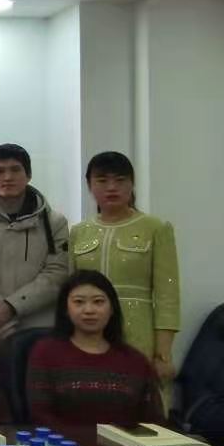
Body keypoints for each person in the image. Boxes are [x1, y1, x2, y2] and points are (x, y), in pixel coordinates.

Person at [70, 151, 182, 393]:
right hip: (86, 332)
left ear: (132, 184)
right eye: (102, 180)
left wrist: (163, 354)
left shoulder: (156, 228)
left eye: (120, 180)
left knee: (138, 401)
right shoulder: (78, 232)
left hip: (137, 333)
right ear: (89, 185)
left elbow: (168, 295)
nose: (112, 188)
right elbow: (69, 292)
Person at [0, 143, 70, 382]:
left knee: (32, 399)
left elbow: (56, 274)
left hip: (36, 332)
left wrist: (11, 307)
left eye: (15, 169)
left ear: (28, 175)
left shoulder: (54, 223)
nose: (7, 177)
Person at [26, 270, 163, 428]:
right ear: (66, 309)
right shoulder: (45, 353)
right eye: (79, 302)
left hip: (122, 443)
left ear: (112, 309)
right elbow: (41, 416)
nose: (89, 310)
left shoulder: (135, 361)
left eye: (98, 302)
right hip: (63, 443)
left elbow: (154, 425)